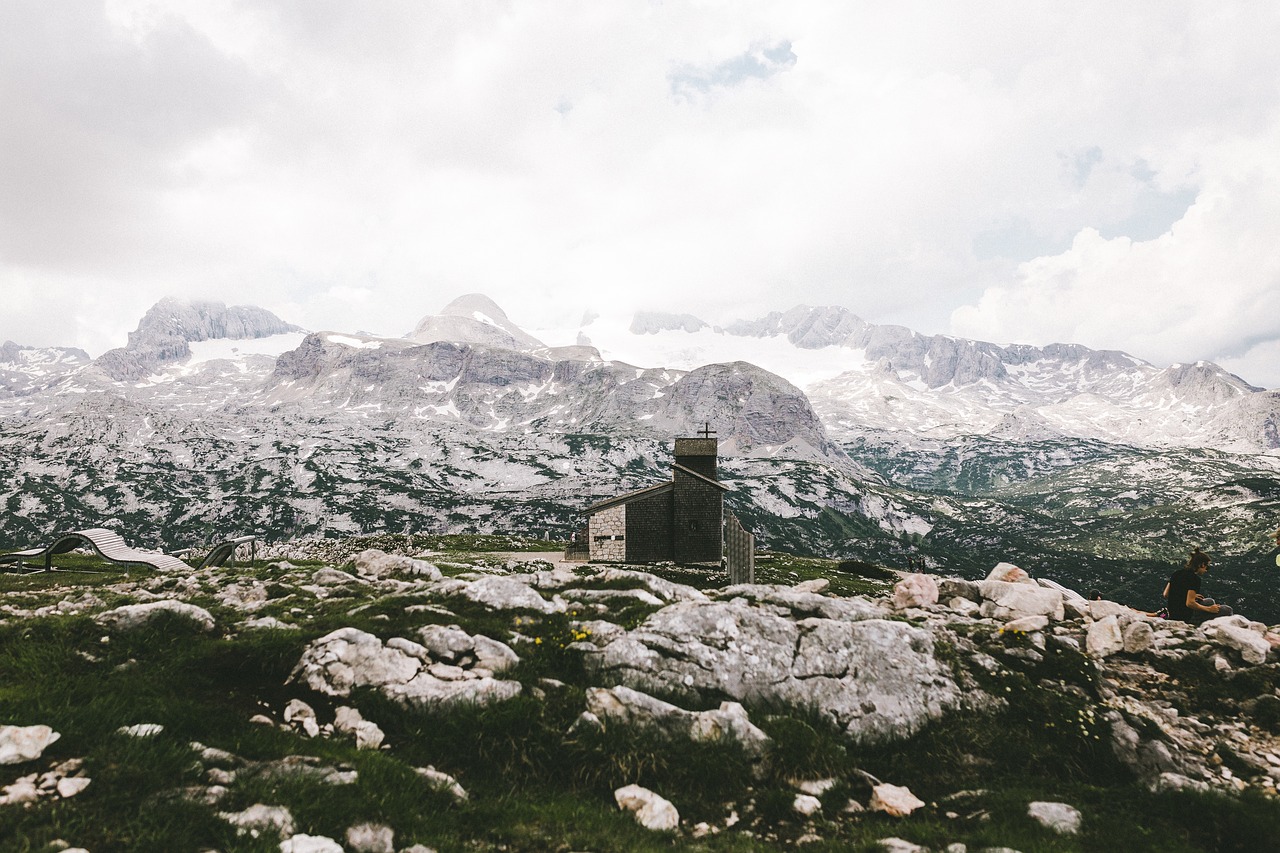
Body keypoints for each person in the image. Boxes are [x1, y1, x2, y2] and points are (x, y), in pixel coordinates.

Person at [1163, 547, 1233, 625]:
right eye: (1207, 567)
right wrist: (1209, 609)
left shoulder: (1176, 573)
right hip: (1185, 617)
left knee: (1209, 601)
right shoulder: (1195, 579)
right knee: (1227, 610)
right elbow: (1190, 603)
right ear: (1202, 565)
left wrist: (1190, 596)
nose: (1206, 570)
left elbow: (1166, 594)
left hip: (1172, 613)